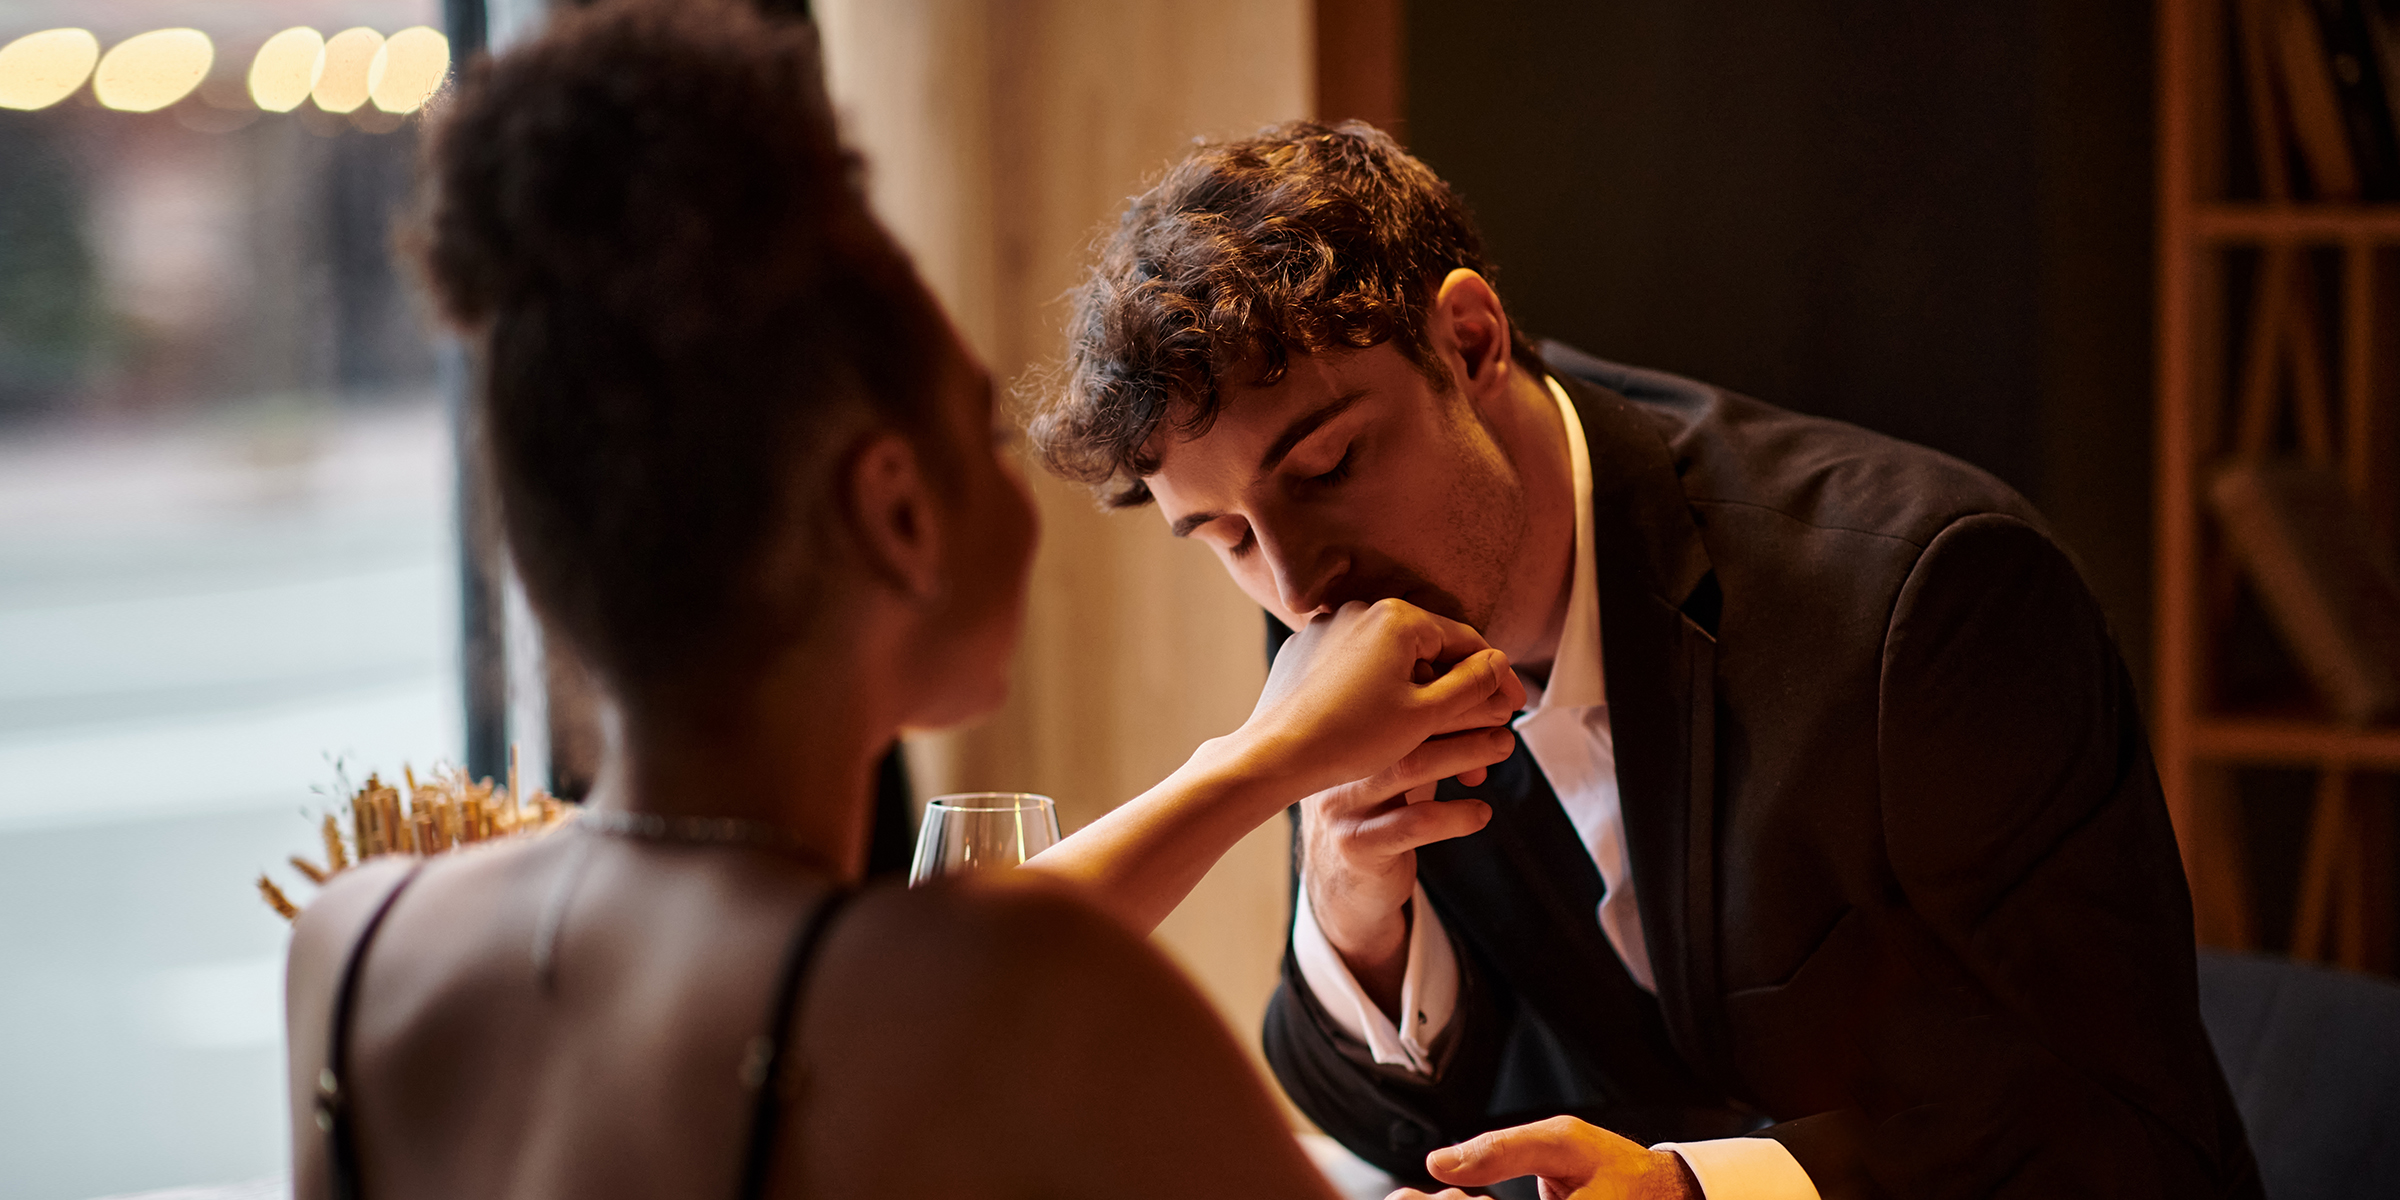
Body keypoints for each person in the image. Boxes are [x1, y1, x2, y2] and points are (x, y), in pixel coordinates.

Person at [280, 8, 1526, 1199]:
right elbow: (974, 969)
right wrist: (1268, 761)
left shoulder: (355, 952)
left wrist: (1267, 765)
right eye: (985, 431)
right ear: (896, 513)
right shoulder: (1040, 1011)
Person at [1030, 121, 2263, 1200]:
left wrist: (1694, 1193)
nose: (1296, 587)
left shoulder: (1924, 598)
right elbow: (1382, 1120)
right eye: (1227, 537)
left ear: (1468, 342)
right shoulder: (1338, 589)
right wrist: (1354, 903)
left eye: (1328, 468)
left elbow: (2126, 1131)